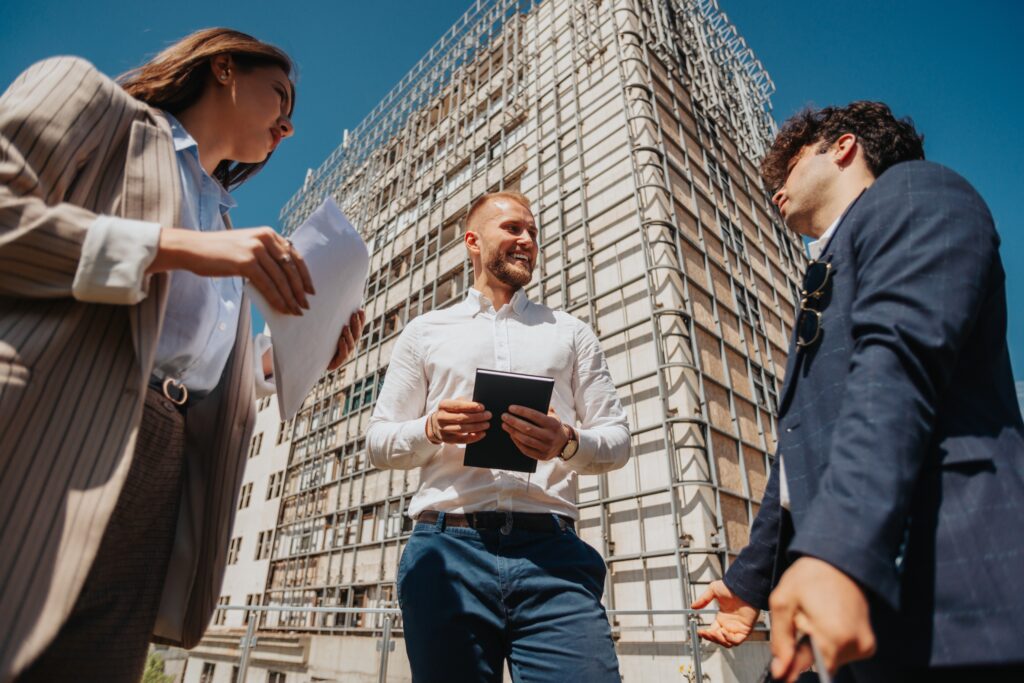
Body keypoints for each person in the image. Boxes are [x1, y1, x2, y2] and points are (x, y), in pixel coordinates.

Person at [0, 29, 364, 682]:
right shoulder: (94, 103)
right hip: (50, 421)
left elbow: (190, 359)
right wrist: (173, 246)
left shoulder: (225, 227)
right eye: (278, 95)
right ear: (223, 67)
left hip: (163, 467)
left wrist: (296, 353)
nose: (287, 126)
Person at [691, 101, 1024, 681]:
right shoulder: (830, 269)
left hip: (954, 596)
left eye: (789, 165)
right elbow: (803, 455)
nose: (775, 188)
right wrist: (750, 584)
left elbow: (896, 369)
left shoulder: (915, 193)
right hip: (861, 614)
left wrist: (837, 551)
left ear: (842, 147)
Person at [366, 191, 631, 682]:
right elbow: (378, 442)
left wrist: (567, 442)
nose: (527, 240)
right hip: (448, 552)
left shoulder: (570, 333)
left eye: (532, 232)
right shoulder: (426, 331)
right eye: (512, 229)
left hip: (553, 558)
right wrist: (430, 428)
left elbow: (617, 439)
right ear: (473, 241)